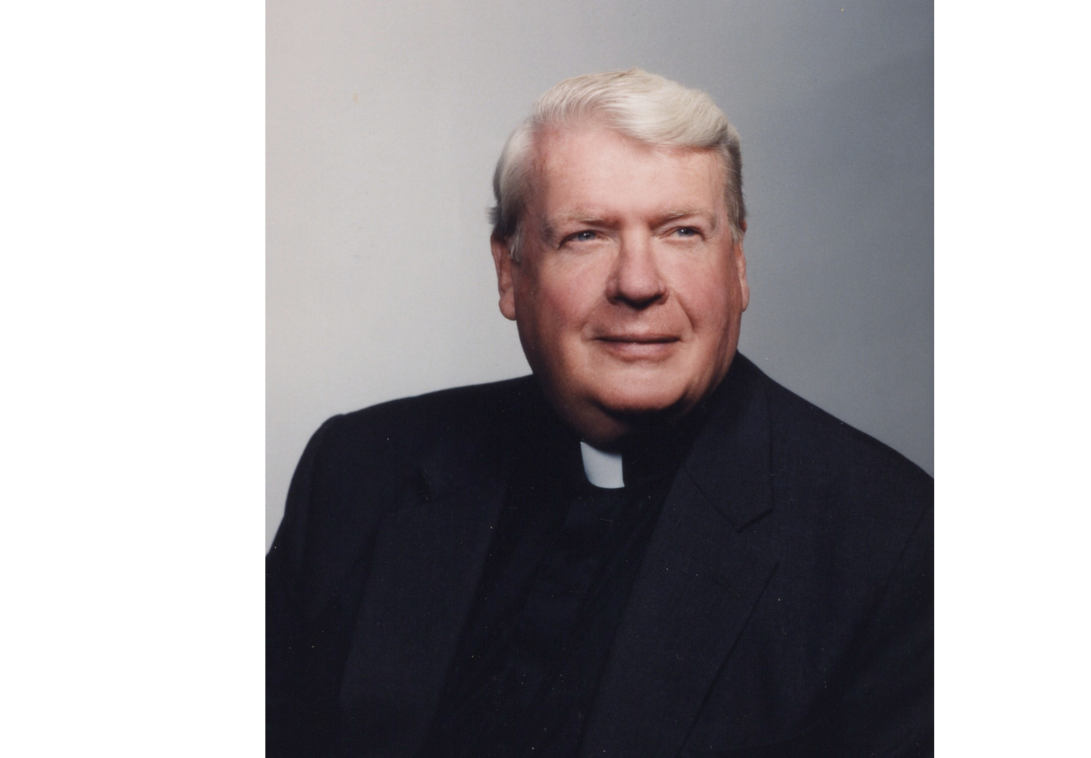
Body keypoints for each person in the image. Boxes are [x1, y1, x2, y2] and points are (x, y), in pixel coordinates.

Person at [266, 69, 932, 757]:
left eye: (680, 232)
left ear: (737, 266)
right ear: (509, 273)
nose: (638, 283)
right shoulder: (357, 471)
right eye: (586, 236)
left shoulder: (892, 540)